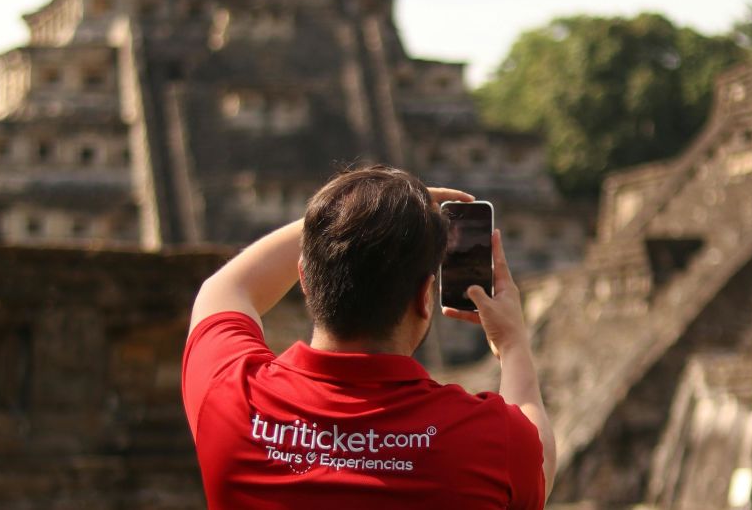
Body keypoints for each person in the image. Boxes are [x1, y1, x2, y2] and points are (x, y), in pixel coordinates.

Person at [182, 166, 556, 509]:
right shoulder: (490, 442)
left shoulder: (231, 397)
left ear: (306, 280)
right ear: (425, 296)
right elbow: (539, 455)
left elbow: (225, 288)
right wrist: (512, 343)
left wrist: (345, 217)